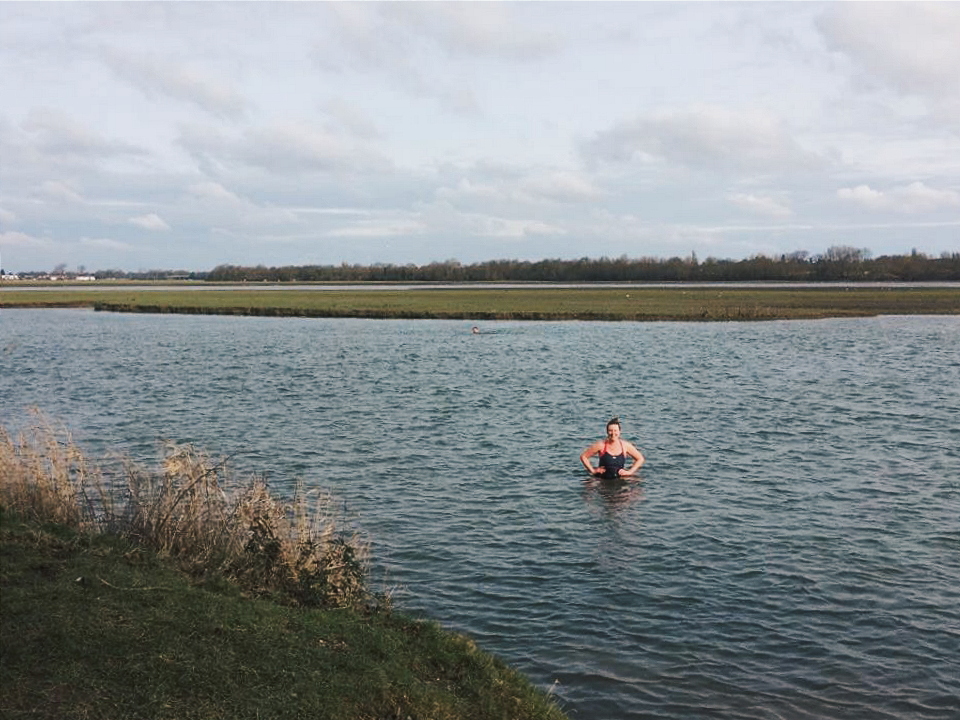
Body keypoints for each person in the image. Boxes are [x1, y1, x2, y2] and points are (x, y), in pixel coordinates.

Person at [580, 417, 645, 479]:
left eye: (615, 430)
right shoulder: (601, 445)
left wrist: (630, 472)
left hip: (619, 480)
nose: (613, 433)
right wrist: (593, 471)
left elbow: (640, 458)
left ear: (619, 431)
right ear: (607, 432)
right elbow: (584, 456)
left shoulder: (625, 445)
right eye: (610, 431)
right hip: (602, 481)